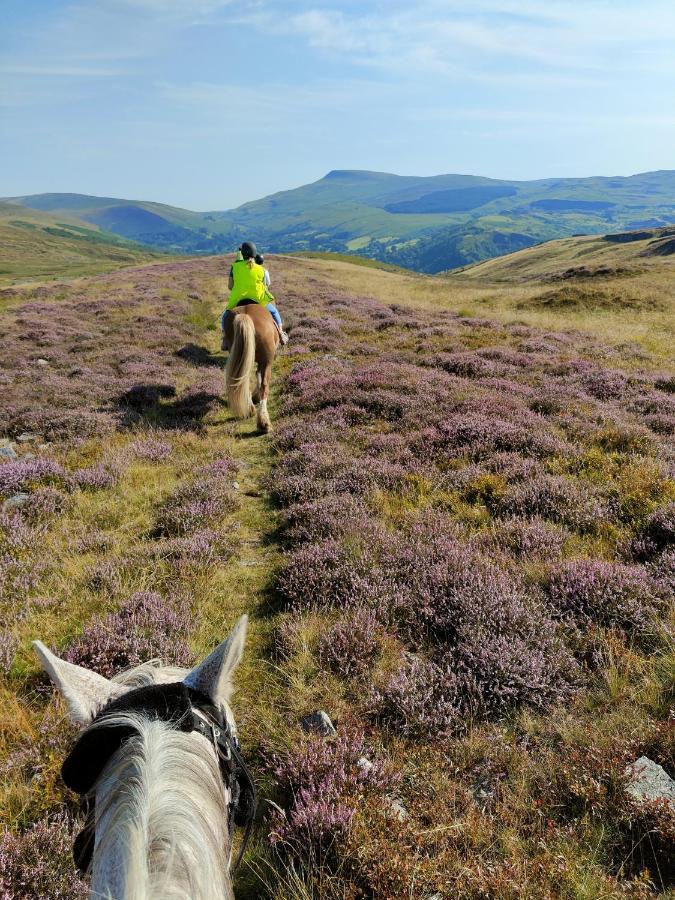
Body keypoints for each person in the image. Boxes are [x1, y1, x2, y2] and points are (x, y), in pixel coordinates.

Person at [220, 242, 288, 350]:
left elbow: (230, 286)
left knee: (224, 317)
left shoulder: (235, 267)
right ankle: (281, 333)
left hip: (238, 299)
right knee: (274, 312)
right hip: (258, 299)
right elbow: (265, 284)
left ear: (242, 254)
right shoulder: (261, 269)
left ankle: (225, 338)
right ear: (254, 254)